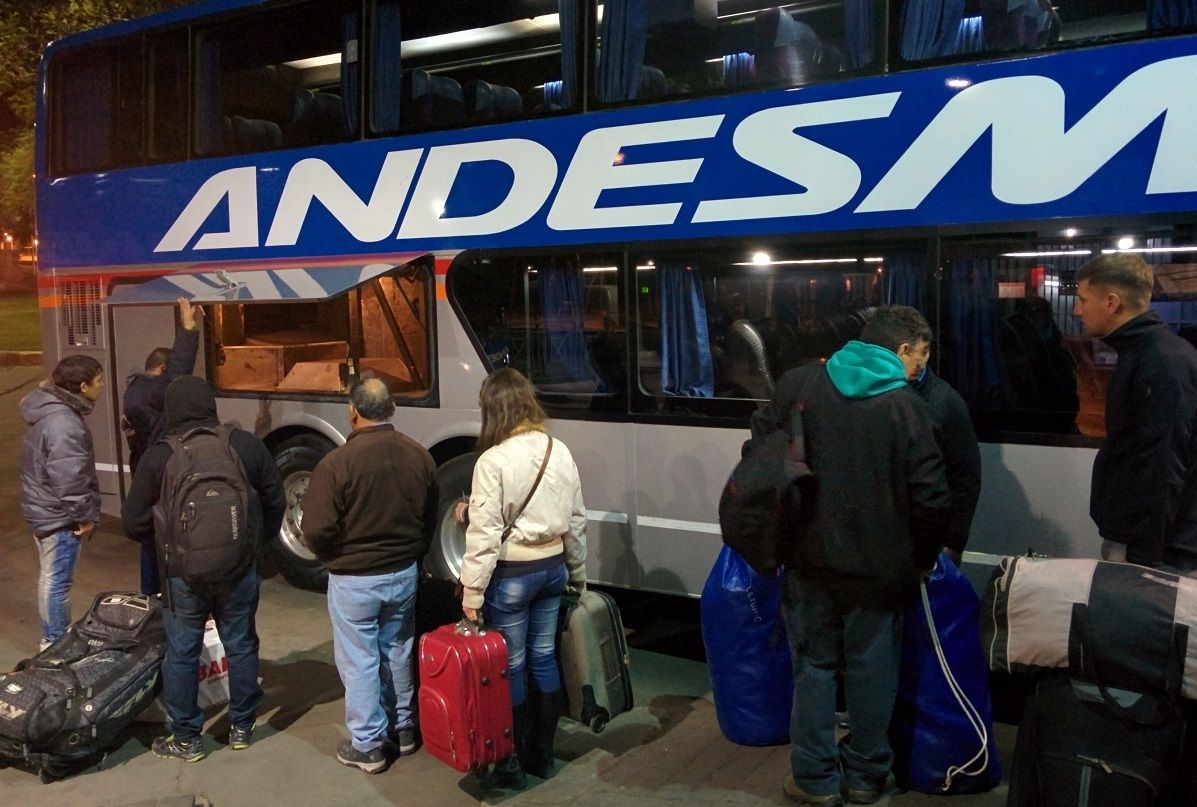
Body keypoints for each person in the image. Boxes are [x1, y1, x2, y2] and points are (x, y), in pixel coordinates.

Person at [753, 305, 949, 806]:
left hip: (808, 561)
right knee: (872, 670)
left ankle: (814, 780)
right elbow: (931, 498)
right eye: (919, 355)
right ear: (899, 350)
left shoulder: (800, 384)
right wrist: (922, 558)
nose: (920, 366)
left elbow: (761, 456)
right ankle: (866, 777)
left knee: (814, 668)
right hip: (881, 570)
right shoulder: (908, 409)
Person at [122, 376, 285, 762]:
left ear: (172, 410)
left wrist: (168, 543)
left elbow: (132, 522)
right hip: (239, 568)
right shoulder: (243, 444)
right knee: (241, 644)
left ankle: (186, 739)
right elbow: (275, 499)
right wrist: (255, 545)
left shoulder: (160, 455)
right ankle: (242, 727)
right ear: (211, 405)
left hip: (182, 575)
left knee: (182, 652)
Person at [300, 378, 438, 774]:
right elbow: (429, 516)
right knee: (398, 648)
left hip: (354, 579)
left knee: (359, 659)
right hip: (403, 573)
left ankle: (369, 745)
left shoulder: (336, 464)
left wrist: (333, 557)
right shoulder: (419, 456)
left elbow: (315, 529)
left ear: (353, 412)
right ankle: (404, 729)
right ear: (392, 409)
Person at [458, 368, 587, 789]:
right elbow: (576, 519)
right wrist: (578, 572)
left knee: (511, 666)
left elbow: (484, 534)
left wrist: (472, 592)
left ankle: (510, 762)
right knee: (543, 657)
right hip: (553, 569)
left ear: (492, 410)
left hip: (513, 574)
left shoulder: (492, 461)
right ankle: (543, 755)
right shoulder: (558, 450)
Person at [1074, 253, 1197, 575]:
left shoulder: (1160, 362)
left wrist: (1143, 560)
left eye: (1083, 300)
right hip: (1151, 543)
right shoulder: (1147, 353)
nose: (1077, 310)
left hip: (1159, 553)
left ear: (1112, 302)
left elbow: (1163, 462)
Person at [20, 355, 104, 650]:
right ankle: (56, 644)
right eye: (98, 381)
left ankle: (51, 639)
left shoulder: (49, 411)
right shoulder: (65, 424)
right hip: (58, 515)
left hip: (42, 507)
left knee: (50, 578)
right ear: (83, 386)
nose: (101, 386)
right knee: (57, 583)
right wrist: (85, 517)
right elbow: (70, 480)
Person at [122, 297, 200, 596]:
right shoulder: (148, 390)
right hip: (158, 476)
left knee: (152, 538)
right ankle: (161, 597)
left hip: (146, 470)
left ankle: (153, 595)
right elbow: (177, 375)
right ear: (162, 369)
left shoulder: (137, 390)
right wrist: (188, 330)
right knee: (162, 537)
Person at [908, 344, 982, 567]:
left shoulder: (945, 401)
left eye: (924, 352)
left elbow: (966, 476)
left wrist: (954, 543)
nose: (918, 361)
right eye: (910, 352)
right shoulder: (888, 397)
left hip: (928, 537)